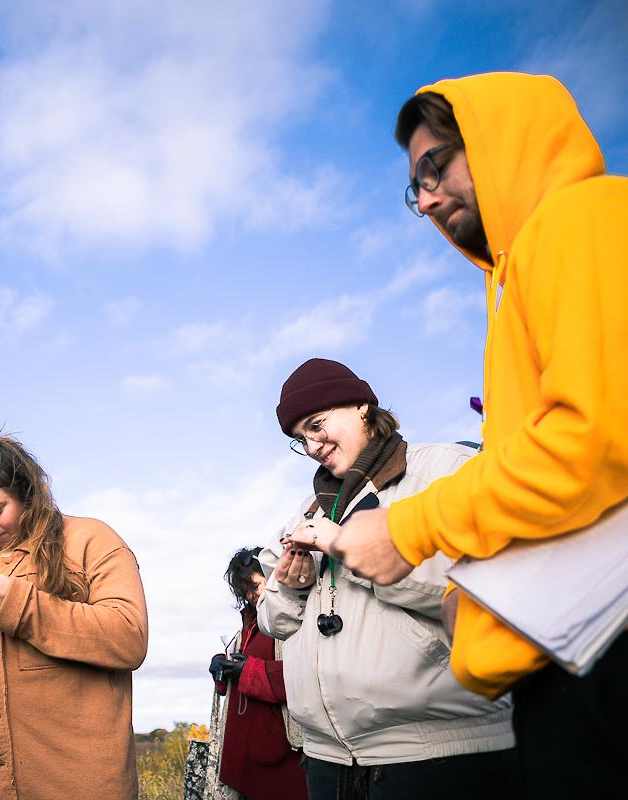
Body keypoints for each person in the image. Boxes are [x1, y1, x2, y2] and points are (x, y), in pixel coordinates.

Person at [323, 72, 628, 798]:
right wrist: (488, 587)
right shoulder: (525, 270)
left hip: (603, 660)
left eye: (437, 165)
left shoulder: (580, 218)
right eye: (414, 185)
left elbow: (592, 439)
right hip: (569, 661)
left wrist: (409, 529)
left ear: (502, 142)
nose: (425, 198)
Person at [259, 358, 517, 800]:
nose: (313, 445)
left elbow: (499, 586)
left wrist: (352, 551)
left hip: (439, 756)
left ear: (361, 407)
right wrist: (290, 587)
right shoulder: (307, 510)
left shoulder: (446, 469)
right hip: (328, 761)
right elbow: (274, 622)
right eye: (301, 438)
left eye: (317, 425)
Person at [0, 434, 148, 800]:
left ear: (27, 492)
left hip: (79, 787)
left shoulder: (91, 540)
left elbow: (129, 638)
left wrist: (18, 603)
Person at [207, 547, 306, 800]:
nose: (251, 596)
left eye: (255, 586)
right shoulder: (250, 626)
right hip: (249, 757)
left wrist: (248, 671)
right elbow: (237, 681)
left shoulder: (296, 619)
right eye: (246, 592)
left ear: (272, 575)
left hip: (282, 757)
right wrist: (223, 668)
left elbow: (306, 677)